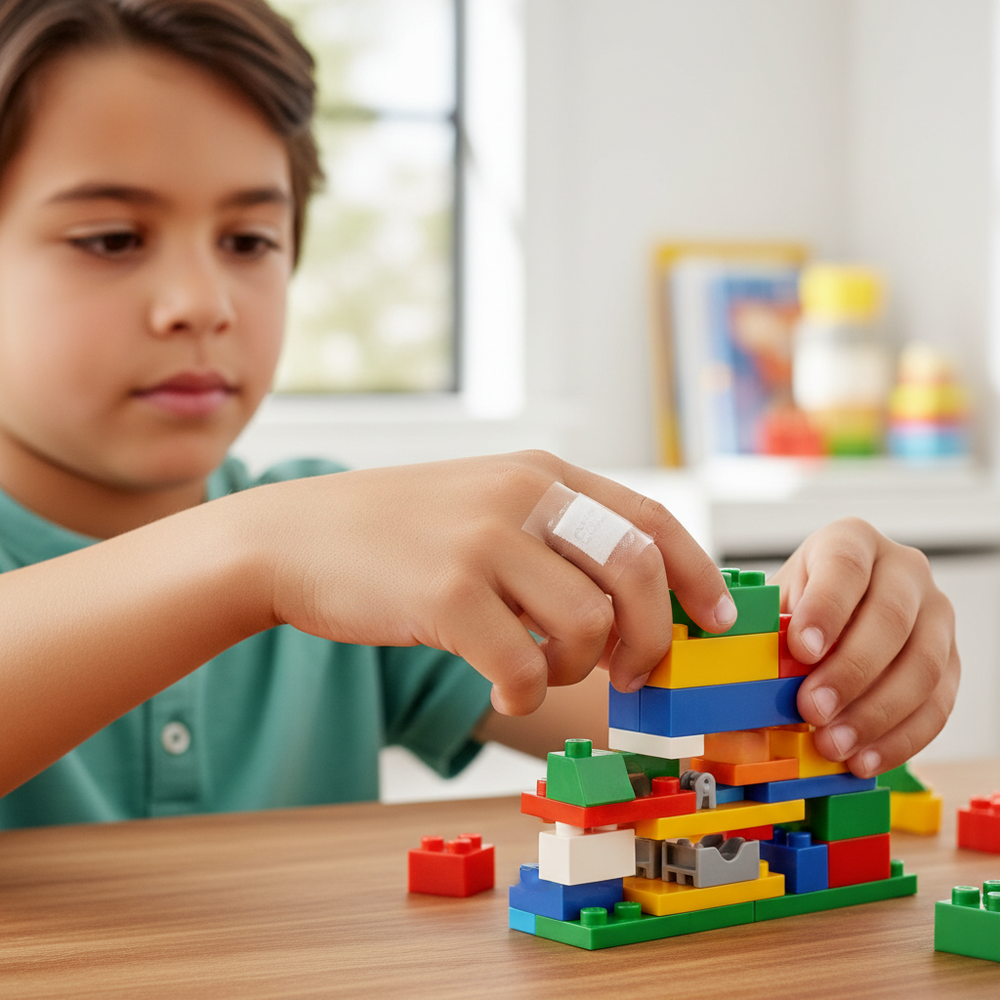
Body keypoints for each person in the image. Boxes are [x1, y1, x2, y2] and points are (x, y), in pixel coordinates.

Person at [0, 0, 958, 828]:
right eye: (111, 238)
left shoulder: (347, 556)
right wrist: (258, 552)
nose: (201, 302)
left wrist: (829, 652)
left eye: (249, 239)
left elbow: (727, 741)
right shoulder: (301, 541)